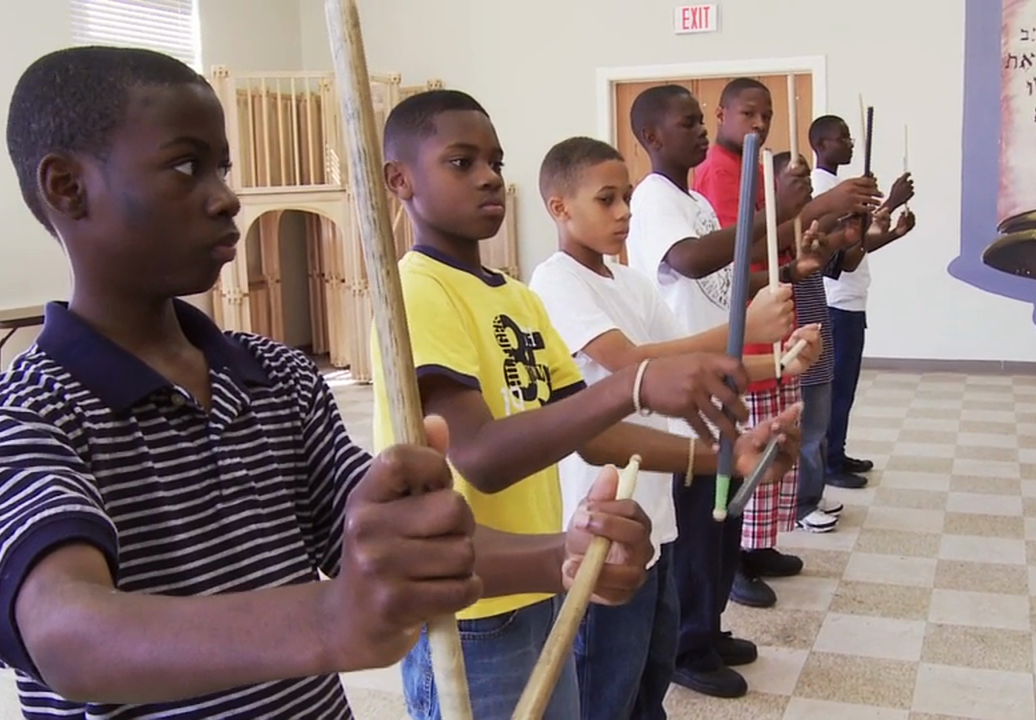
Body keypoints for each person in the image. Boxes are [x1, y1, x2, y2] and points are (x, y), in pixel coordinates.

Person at [0, 46, 659, 720]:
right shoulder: (18, 417)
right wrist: (329, 618)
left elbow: (391, 548)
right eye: (187, 168)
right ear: (68, 188)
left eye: (223, 168)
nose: (226, 197)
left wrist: (561, 556)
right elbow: (67, 635)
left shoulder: (277, 378)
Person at [370, 90, 801, 720]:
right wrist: (631, 384)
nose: (490, 175)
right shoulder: (416, 289)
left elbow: (596, 434)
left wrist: (724, 457)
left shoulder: (514, 297)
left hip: (543, 581)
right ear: (399, 179)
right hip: (468, 613)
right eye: (462, 162)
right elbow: (483, 457)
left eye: (495, 159)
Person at [528, 136, 822, 720]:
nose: (624, 214)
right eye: (606, 200)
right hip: (600, 515)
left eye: (628, 199)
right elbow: (634, 362)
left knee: (651, 670)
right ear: (559, 208)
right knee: (604, 682)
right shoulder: (554, 281)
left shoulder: (631, 283)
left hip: (654, 514)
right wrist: (745, 321)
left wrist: (781, 362)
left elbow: (683, 363)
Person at [623, 84, 880, 699]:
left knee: (721, 526)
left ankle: (708, 628)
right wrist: (781, 214)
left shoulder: (695, 201)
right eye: (687, 123)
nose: (699, 131)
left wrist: (792, 269)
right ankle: (687, 644)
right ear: (653, 137)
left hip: (722, 373)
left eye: (698, 121)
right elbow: (688, 263)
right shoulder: (655, 198)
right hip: (684, 387)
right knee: (693, 532)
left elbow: (731, 271)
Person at [810, 115, 917, 481]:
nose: (851, 143)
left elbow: (854, 245)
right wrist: (890, 201)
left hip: (850, 300)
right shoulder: (821, 190)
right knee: (835, 388)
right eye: (843, 138)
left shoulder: (837, 186)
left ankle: (835, 453)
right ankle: (827, 464)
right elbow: (839, 254)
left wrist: (894, 232)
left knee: (845, 387)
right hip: (835, 302)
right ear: (821, 144)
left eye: (851, 137)